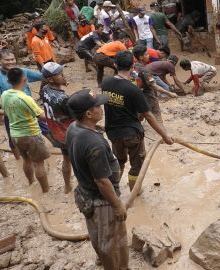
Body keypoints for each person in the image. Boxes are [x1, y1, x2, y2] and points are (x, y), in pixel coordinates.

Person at [66, 90, 128, 269]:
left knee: (97, 235)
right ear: (88, 114)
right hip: (103, 201)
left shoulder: (73, 127)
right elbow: (102, 181)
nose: (101, 109)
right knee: (112, 244)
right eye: (97, 106)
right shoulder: (94, 144)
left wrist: (95, 129)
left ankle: (102, 260)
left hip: (86, 193)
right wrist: (116, 205)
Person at [101, 51, 174, 190]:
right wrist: (165, 135)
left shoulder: (106, 82)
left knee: (119, 161)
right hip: (131, 133)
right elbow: (149, 115)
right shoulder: (133, 90)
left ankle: (113, 190)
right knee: (137, 165)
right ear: (133, 65)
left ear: (115, 65)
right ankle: (135, 192)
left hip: (113, 132)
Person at [2, 67, 52, 193]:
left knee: (26, 160)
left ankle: (31, 183)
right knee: (39, 163)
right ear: (25, 80)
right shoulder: (25, 98)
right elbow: (42, 116)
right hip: (31, 134)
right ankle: (46, 191)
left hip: (15, 135)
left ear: (8, 82)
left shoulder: (5, 94)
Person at [0, 49, 45, 160]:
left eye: (12, 59)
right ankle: (19, 160)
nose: (10, 62)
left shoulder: (22, 71)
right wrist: (8, 109)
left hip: (29, 108)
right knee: (13, 138)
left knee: (46, 129)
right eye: (7, 60)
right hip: (12, 113)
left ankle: (58, 146)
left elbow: (42, 76)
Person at [40, 62, 74, 193]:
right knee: (78, 159)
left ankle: (67, 186)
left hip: (55, 130)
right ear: (50, 79)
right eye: (60, 74)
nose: (63, 76)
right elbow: (75, 116)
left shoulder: (45, 89)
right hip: (67, 132)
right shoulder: (62, 98)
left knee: (66, 158)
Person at [131, 45, 177, 121]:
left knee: (140, 112)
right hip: (147, 94)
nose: (148, 55)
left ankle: (136, 125)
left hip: (137, 93)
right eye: (146, 54)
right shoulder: (145, 70)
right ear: (141, 57)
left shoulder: (133, 66)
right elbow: (154, 85)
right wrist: (169, 93)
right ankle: (160, 129)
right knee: (156, 114)